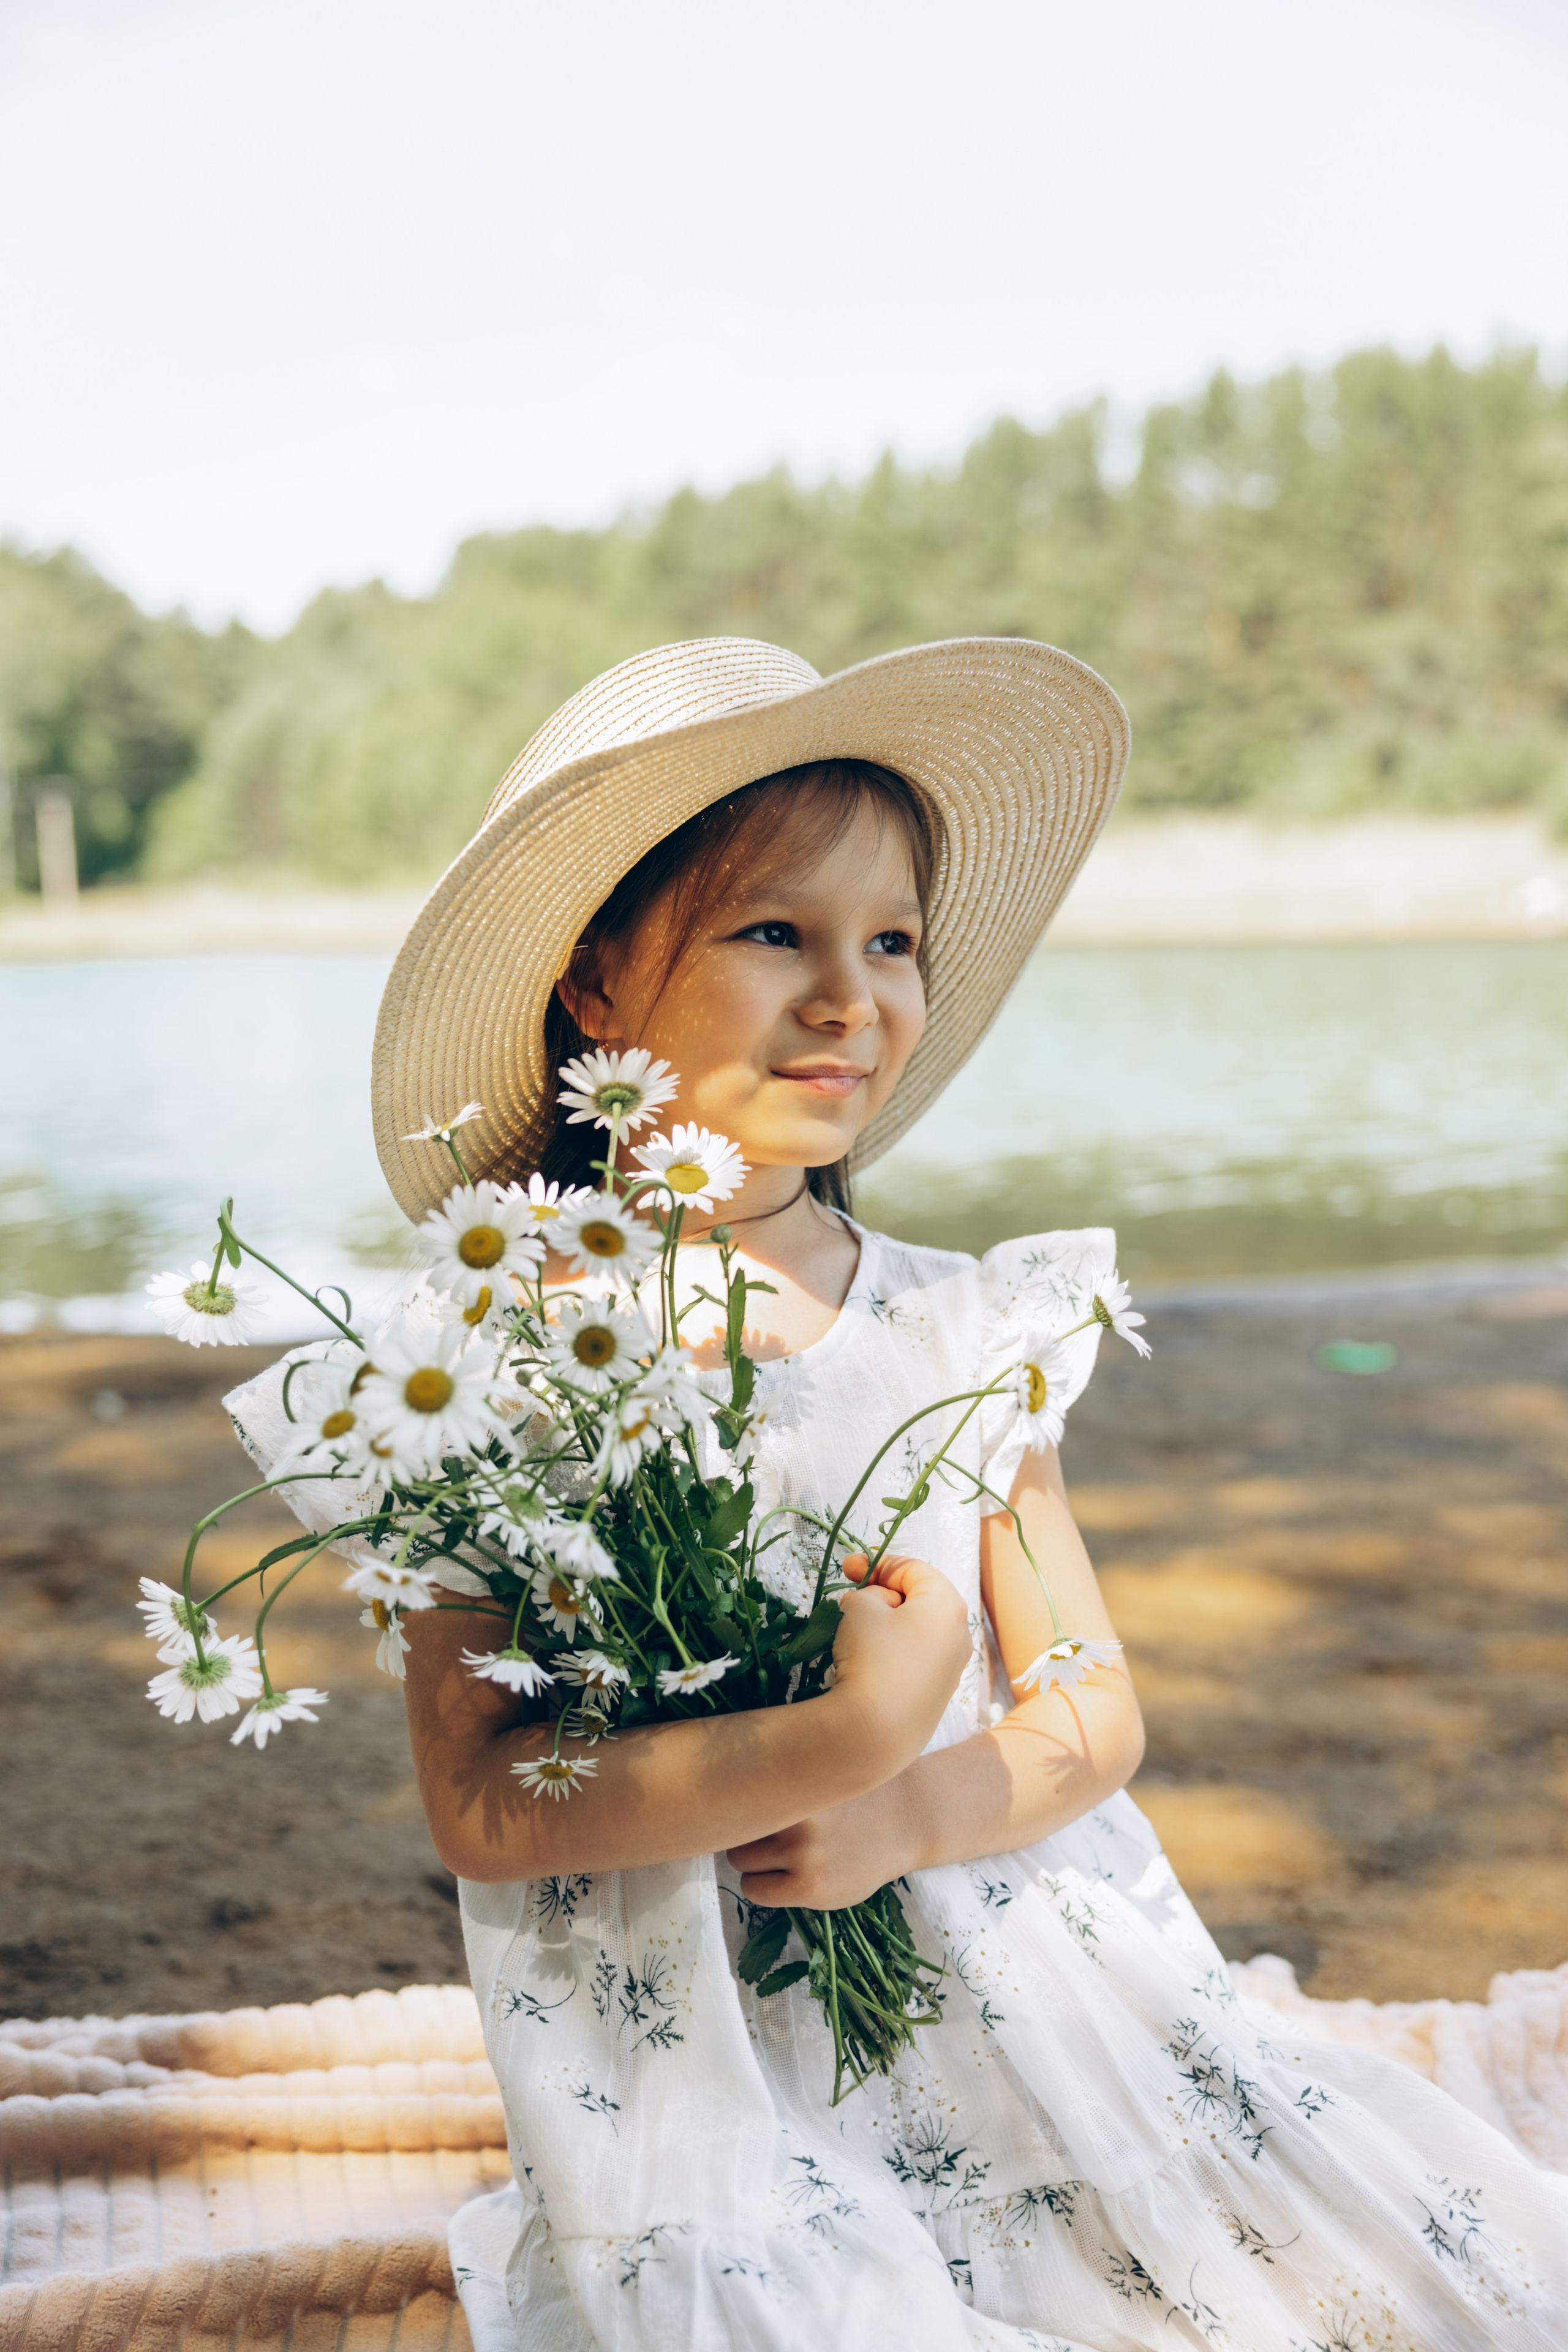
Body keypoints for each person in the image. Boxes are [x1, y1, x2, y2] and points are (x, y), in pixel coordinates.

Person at [241, 638, 1568, 2349]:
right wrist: (833, 1747)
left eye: (894, 945)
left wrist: (908, 1810)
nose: (849, 998)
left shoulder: (956, 1319)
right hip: (696, 2059)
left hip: (1028, 1987)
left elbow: (1089, 1703)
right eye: (775, 932)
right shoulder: (495, 1352)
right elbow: (486, 1807)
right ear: (594, 989)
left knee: (1350, 2273)